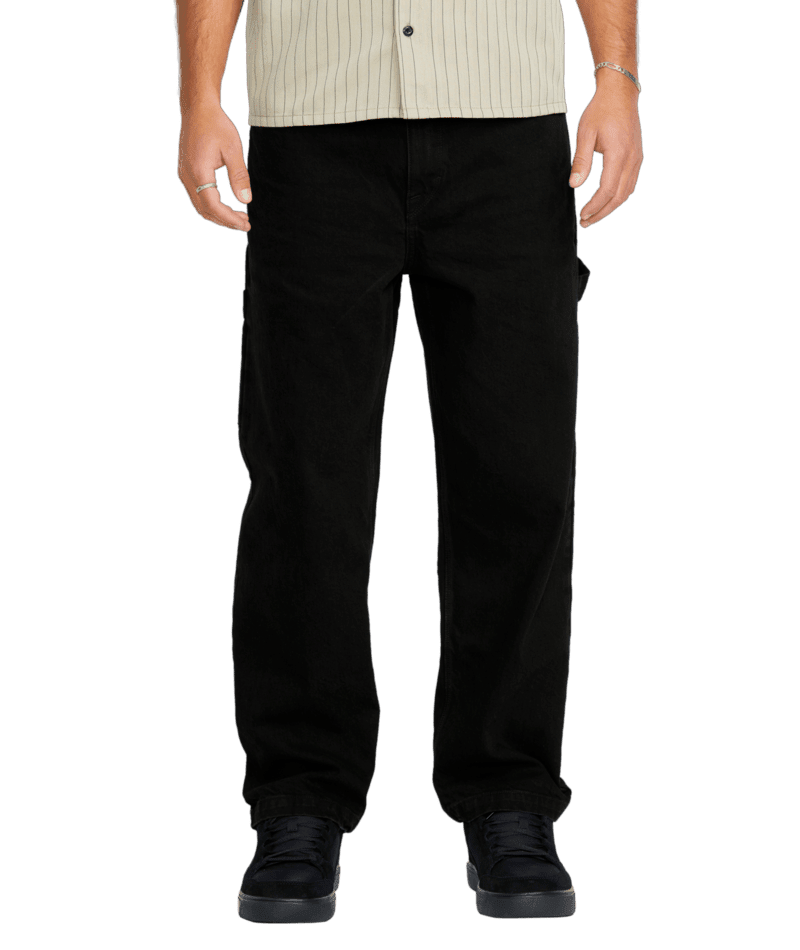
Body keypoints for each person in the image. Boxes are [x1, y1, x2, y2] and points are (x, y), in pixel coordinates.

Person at [175, 0, 643, 924]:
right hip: (313, 124)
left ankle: (509, 792)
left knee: (519, 475)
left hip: (507, 125)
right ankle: (299, 799)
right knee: (304, 484)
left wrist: (617, 81)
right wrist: (199, 98)